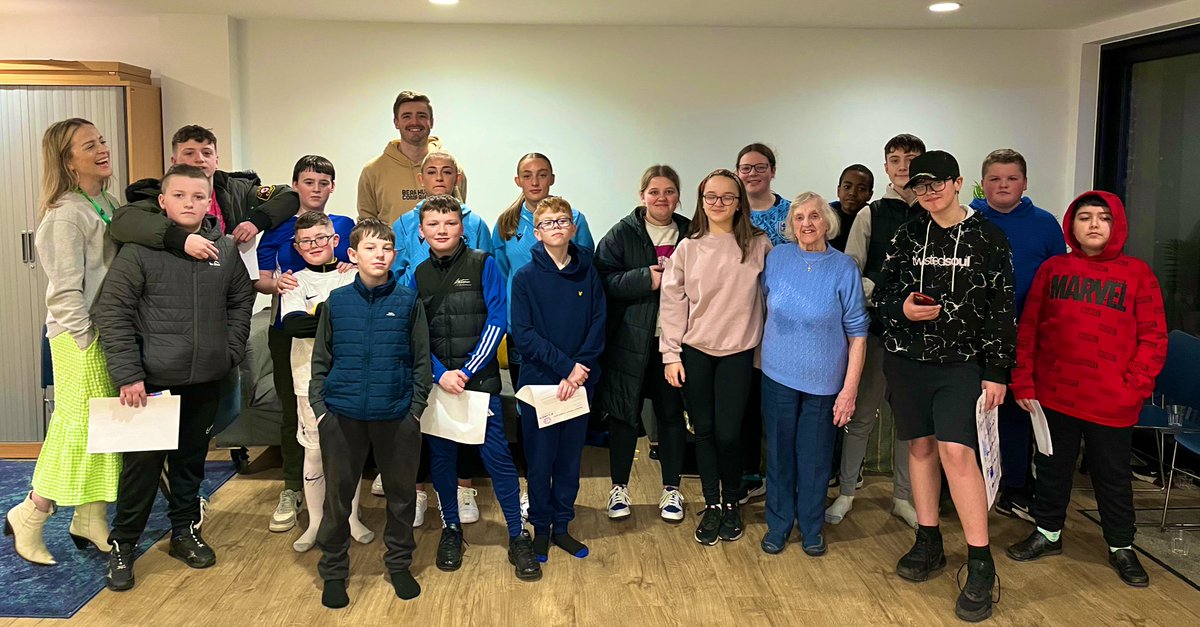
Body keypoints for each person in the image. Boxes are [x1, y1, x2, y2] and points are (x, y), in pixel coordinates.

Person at [94, 164, 256, 591]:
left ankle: (184, 531)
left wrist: (231, 349)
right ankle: (124, 545)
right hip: (150, 383)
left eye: (198, 196)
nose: (189, 202)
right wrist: (128, 373)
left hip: (206, 379)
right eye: (180, 195)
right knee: (142, 468)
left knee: (190, 463)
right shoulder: (139, 252)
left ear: (208, 202)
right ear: (163, 202)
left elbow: (241, 299)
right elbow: (111, 312)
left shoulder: (223, 248)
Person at [874, 150, 1015, 622]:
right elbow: (884, 291)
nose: (928, 193)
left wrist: (997, 371)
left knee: (958, 453)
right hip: (908, 361)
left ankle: (980, 561)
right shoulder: (909, 231)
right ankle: (928, 539)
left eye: (937, 184)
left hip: (962, 365)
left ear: (957, 183)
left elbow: (1001, 307)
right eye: (919, 186)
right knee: (921, 449)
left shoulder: (988, 236)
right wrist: (902, 311)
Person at [1006, 192, 1166, 588]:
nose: (1094, 224)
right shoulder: (1053, 269)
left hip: (1112, 402)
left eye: (1103, 217)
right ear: (1071, 226)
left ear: (1117, 226)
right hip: (1054, 395)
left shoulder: (1138, 274)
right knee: (1051, 470)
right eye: (1084, 217)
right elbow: (1027, 330)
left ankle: (1121, 547)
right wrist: (1023, 380)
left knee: (1112, 477)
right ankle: (1048, 533)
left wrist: (1134, 388)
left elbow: (1154, 338)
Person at [5, 118, 121, 565]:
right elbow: (64, 292)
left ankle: (89, 518)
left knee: (102, 428)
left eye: (101, 141)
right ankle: (30, 514)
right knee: (75, 428)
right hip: (79, 339)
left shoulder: (105, 201)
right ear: (67, 160)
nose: (101, 149)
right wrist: (87, 339)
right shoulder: (65, 214)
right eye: (88, 145)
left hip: (104, 334)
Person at [409, 194, 540, 581]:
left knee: (498, 460)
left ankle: (518, 535)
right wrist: (438, 373)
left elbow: (498, 319)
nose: (442, 230)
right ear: (422, 231)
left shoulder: (483, 264)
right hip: (439, 384)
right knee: (442, 461)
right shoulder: (418, 274)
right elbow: (415, 332)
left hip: (477, 381)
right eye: (433, 225)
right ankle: (451, 529)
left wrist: (465, 371)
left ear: (461, 226)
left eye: (449, 223)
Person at [308, 218, 432, 608]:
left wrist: (414, 410)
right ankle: (334, 570)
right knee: (338, 500)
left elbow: (421, 363)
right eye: (370, 248)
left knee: (400, 498)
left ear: (395, 255)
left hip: (396, 416)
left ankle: (398, 565)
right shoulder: (337, 303)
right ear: (353, 255)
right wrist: (320, 409)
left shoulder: (409, 302)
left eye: (386, 249)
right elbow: (321, 360)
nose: (379, 255)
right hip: (341, 416)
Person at [660, 169, 772, 546]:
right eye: (711, 197)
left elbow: (772, 301)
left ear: (739, 202)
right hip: (695, 352)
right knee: (704, 432)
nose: (718, 204)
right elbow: (673, 304)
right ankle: (712, 504)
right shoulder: (689, 248)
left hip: (738, 354)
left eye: (727, 197)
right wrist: (670, 355)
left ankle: (731, 502)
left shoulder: (758, 245)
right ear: (701, 200)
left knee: (729, 433)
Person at [760, 192, 869, 557]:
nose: (806, 224)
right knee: (778, 456)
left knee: (815, 458)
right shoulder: (776, 258)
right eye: (799, 218)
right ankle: (778, 524)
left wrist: (849, 389)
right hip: (777, 376)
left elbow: (857, 332)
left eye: (814, 216)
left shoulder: (843, 268)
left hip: (824, 383)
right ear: (791, 225)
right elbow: (763, 307)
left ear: (827, 222)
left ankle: (811, 527)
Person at [389, 150, 492, 525]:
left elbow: (483, 270)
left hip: (464, 328)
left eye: (446, 171)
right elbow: (394, 269)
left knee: (461, 417)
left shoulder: (475, 221)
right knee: (417, 419)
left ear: (457, 177)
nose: (438, 176)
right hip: (419, 327)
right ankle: (417, 493)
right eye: (431, 171)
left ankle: (465, 490)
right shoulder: (403, 222)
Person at [253, 156, 355, 535]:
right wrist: (276, 284)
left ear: (332, 187)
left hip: (340, 332)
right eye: (308, 181)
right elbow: (261, 280)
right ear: (295, 185)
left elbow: (357, 262)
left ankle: (343, 491)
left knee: (343, 409)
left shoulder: (345, 226)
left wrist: (349, 265)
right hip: (290, 327)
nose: (316, 188)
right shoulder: (277, 230)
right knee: (293, 408)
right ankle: (293, 488)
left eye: (323, 182)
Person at [829, 133, 924, 529]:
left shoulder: (937, 212)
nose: (903, 166)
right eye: (895, 159)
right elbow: (853, 271)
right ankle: (847, 493)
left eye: (911, 159)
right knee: (862, 416)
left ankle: (904, 497)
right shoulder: (871, 213)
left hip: (921, 341)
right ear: (886, 166)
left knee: (909, 422)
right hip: (878, 332)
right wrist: (885, 293)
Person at [968, 149, 1065, 521]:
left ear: (1024, 183)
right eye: (994, 178)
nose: (1003, 185)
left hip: (1029, 341)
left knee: (1017, 415)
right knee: (974, 414)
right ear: (983, 183)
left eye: (1011, 178)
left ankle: (1016, 489)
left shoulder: (1045, 224)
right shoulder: (969, 220)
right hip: (975, 339)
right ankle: (971, 488)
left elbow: (1059, 279)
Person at [510, 197, 606, 563]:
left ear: (574, 227)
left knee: (569, 460)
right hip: (541, 384)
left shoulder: (588, 271)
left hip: (581, 384)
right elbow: (524, 333)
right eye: (548, 223)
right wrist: (566, 367)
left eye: (562, 221)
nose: (556, 227)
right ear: (537, 232)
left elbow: (599, 322)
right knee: (540, 460)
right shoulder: (525, 278)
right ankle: (541, 527)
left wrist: (580, 368)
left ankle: (563, 526)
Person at [594, 165, 691, 523]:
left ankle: (672, 490)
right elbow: (602, 279)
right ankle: (619, 488)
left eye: (668, 191)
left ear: (677, 195)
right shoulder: (622, 233)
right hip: (629, 341)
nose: (661, 198)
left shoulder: (691, 231)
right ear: (642, 196)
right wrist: (644, 278)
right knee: (623, 417)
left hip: (674, 344)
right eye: (654, 191)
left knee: (669, 415)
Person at [279, 211, 373, 552]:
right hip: (308, 380)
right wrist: (337, 317)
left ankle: (349, 517)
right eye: (306, 241)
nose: (314, 245)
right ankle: (316, 521)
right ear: (297, 246)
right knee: (316, 452)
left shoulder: (353, 276)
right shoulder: (293, 282)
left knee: (351, 451)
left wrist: (315, 314)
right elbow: (292, 326)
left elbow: (364, 322)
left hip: (350, 379)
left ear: (335, 241)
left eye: (322, 238)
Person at [492, 153, 595, 387]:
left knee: (569, 397)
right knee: (527, 400)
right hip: (522, 328)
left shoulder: (574, 219)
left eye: (542, 175)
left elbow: (586, 267)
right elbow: (501, 274)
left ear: (552, 178)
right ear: (518, 181)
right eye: (527, 176)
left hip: (567, 326)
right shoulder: (506, 223)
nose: (535, 182)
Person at [109, 124, 294, 252]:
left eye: (207, 153)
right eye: (189, 153)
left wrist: (256, 222)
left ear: (216, 160)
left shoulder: (239, 190)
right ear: (174, 162)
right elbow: (121, 222)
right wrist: (180, 239)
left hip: (229, 288)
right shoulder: (159, 194)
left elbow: (290, 195)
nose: (199, 159)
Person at [357, 90, 465, 225]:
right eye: (407, 116)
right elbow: (367, 227)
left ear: (431, 122)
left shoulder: (451, 169)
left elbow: (461, 216)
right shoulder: (372, 171)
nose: (414, 122)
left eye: (421, 116)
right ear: (396, 122)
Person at [828, 164, 874, 253]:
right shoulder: (824, 216)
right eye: (847, 187)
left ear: (869, 195)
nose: (852, 193)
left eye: (861, 189)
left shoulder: (874, 219)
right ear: (838, 190)